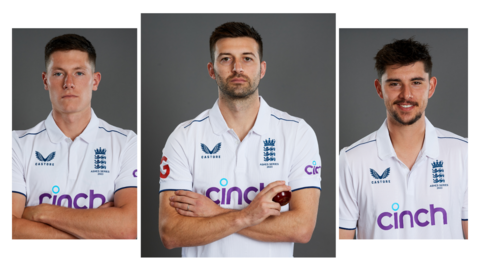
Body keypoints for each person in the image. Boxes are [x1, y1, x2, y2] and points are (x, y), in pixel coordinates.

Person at [158, 22, 321, 257]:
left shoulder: (297, 133)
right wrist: (246, 215)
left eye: (247, 58)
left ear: (262, 69)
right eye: (226, 59)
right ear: (211, 70)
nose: (237, 68)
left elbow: (302, 227)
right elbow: (171, 233)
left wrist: (215, 212)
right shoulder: (184, 137)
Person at [339, 38, 468, 239]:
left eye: (416, 83)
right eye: (395, 83)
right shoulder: (351, 160)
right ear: (379, 88)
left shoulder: (465, 153)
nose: (406, 95)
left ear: (431, 87)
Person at [12, 34, 137, 239]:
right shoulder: (15, 144)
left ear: (94, 81)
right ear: (46, 80)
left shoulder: (126, 143)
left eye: (79, 73)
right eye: (59, 73)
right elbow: (8, 229)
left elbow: (128, 227)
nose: (69, 83)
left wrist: (41, 212)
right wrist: (95, 231)